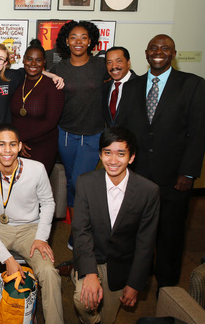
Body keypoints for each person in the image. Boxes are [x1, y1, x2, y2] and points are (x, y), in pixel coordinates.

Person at [117, 34, 205, 288]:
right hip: (136, 177)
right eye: (154, 48)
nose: (159, 52)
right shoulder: (132, 86)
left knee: (170, 236)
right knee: (136, 232)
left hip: (174, 179)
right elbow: (121, 129)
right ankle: (139, 279)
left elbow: (199, 132)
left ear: (174, 53)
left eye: (165, 48)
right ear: (146, 53)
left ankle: (167, 289)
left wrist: (189, 173)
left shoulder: (192, 85)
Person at [0, 124, 63, 324]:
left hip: (30, 229)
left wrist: (42, 237)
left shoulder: (37, 169)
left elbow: (48, 203)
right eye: (1, 144)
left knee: (49, 272)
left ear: (19, 146)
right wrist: (7, 258)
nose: (7, 150)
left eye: (12, 144)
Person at [72, 127, 159, 324]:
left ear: (131, 157)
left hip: (122, 264)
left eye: (121, 154)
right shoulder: (85, 183)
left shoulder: (148, 191)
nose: (113, 160)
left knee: (107, 319)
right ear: (100, 154)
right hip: (93, 257)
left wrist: (135, 283)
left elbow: (145, 242)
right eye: (107, 153)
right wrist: (90, 273)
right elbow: (81, 231)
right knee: (83, 301)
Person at [50, 20, 109, 249]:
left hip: (93, 135)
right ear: (66, 41)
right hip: (65, 134)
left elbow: (122, 75)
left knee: (79, 183)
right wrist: (47, 73)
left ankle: (83, 234)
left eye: (84, 37)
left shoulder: (100, 66)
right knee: (73, 186)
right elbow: (40, 75)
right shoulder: (60, 68)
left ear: (91, 41)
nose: (78, 41)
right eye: (73, 37)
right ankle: (78, 233)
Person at [10, 40, 64, 175]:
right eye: (29, 59)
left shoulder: (53, 86)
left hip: (42, 146)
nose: (33, 64)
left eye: (38, 60)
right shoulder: (17, 80)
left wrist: (21, 138)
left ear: (44, 62)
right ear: (23, 60)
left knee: (36, 186)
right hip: (16, 144)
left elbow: (51, 122)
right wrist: (17, 141)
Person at [102, 46, 137, 127]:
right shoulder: (105, 87)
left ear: (128, 63)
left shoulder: (141, 86)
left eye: (119, 61)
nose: (114, 66)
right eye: (109, 62)